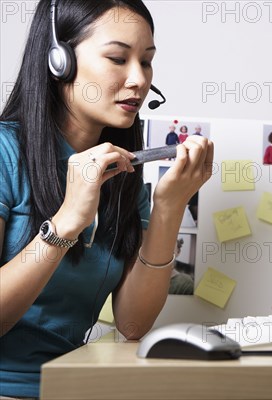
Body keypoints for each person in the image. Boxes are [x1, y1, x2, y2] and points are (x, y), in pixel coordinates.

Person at [0, 1, 214, 398]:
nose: (138, 79)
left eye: (146, 62)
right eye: (118, 58)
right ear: (59, 60)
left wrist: (169, 207)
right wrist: (66, 222)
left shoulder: (122, 172)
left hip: (73, 387)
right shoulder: (4, 153)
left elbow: (132, 325)